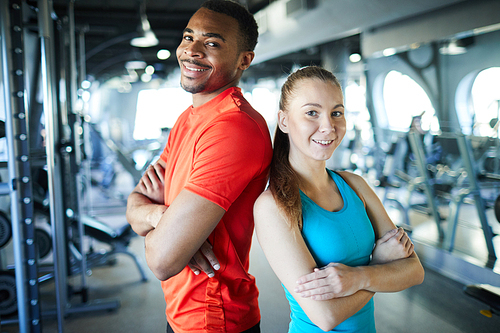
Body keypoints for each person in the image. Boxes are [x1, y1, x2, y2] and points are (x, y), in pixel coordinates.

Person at [126, 1, 272, 332]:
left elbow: (162, 259)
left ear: (243, 60)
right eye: (188, 36)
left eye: (212, 43)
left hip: (213, 318)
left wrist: (168, 234)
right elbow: (135, 205)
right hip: (181, 313)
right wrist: (159, 217)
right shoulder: (187, 119)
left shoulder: (233, 128)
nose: (191, 51)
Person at [253, 66, 425, 332]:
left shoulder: (354, 185)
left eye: (336, 113)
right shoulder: (273, 206)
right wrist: (379, 265)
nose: (328, 126)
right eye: (312, 113)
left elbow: (414, 270)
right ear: (284, 121)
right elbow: (326, 316)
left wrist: (359, 278)